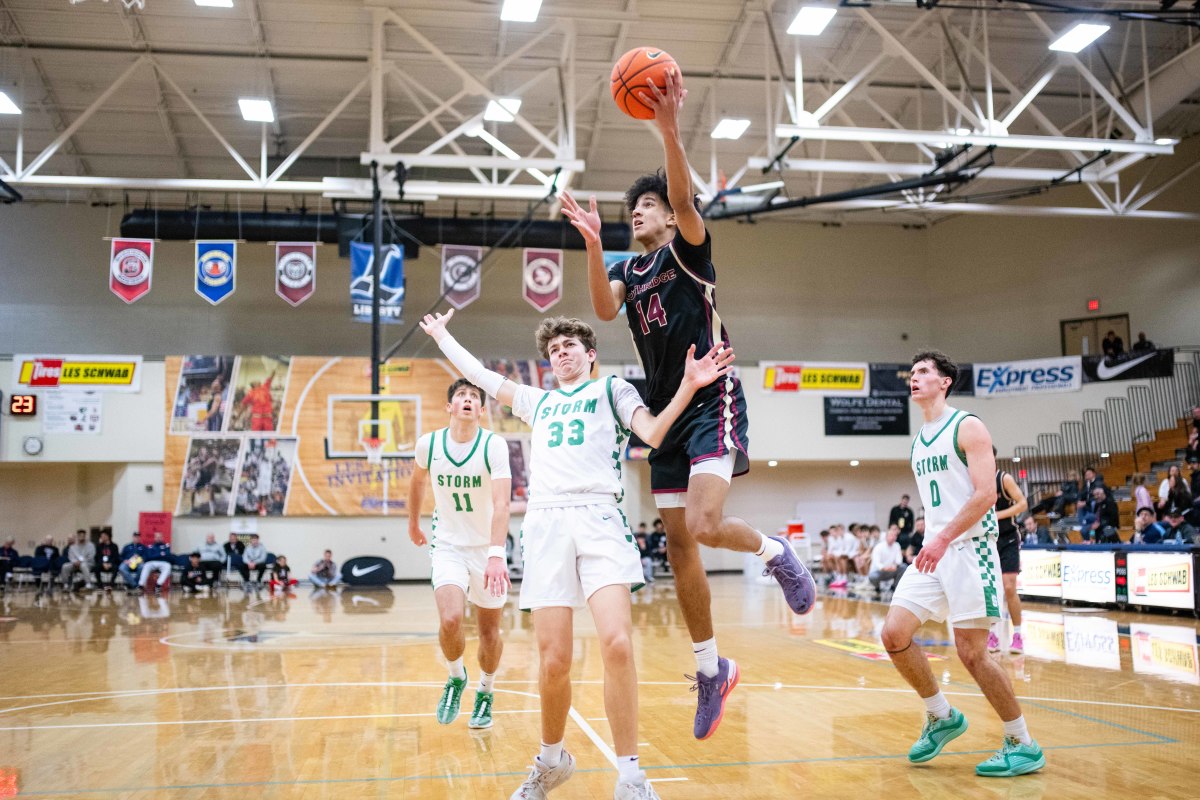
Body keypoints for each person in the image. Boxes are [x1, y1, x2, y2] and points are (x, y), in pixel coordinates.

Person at [561, 65, 816, 742]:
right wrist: (592, 242)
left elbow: (683, 197)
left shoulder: (689, 253)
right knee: (679, 548)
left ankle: (774, 551)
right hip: (666, 403)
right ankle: (711, 668)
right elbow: (600, 307)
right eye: (632, 211)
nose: (637, 213)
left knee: (704, 522)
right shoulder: (630, 269)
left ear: (671, 217)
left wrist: (668, 128)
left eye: (646, 206)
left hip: (711, 392)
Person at [421, 309, 735, 800]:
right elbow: (480, 375)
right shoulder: (536, 402)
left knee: (617, 644)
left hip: (598, 518)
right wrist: (442, 335)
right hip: (546, 525)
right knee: (553, 662)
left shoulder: (612, 390)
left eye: (569, 345)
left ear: (590, 354)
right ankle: (551, 762)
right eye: (553, 349)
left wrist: (690, 386)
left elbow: (652, 434)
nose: (560, 353)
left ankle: (630, 775)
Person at [880, 351, 1044, 778]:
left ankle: (1023, 742)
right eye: (911, 373)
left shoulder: (967, 426)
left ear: (944, 382)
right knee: (894, 633)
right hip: (935, 551)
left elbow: (985, 495)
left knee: (972, 654)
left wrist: (941, 537)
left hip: (971, 551)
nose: (913, 379)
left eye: (922, 373)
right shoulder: (918, 440)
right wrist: (933, 539)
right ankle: (941, 715)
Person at [408, 378, 513, 730]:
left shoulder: (494, 446)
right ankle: (456, 677)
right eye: (461, 395)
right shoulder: (430, 444)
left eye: (473, 397)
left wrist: (497, 554)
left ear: (481, 410)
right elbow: (417, 482)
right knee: (450, 620)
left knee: (489, 633)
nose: (467, 400)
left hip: (487, 550)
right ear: (449, 406)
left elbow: (502, 504)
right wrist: (413, 523)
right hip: (448, 545)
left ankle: (486, 691)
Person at [990, 453, 1029, 655]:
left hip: (1008, 538)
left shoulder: (1003, 478)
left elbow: (1023, 504)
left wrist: (997, 515)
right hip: (988, 539)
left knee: (1009, 587)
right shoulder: (975, 482)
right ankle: (993, 633)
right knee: (992, 590)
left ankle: (1018, 635)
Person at [868, 525, 906, 597]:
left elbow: (899, 560)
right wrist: (884, 568)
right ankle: (877, 587)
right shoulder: (879, 547)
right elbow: (876, 562)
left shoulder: (897, 545)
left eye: (894, 536)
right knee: (872, 576)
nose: (893, 537)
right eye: (891, 535)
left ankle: (894, 587)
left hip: (892, 569)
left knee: (903, 567)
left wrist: (895, 566)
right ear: (886, 537)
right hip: (880, 571)